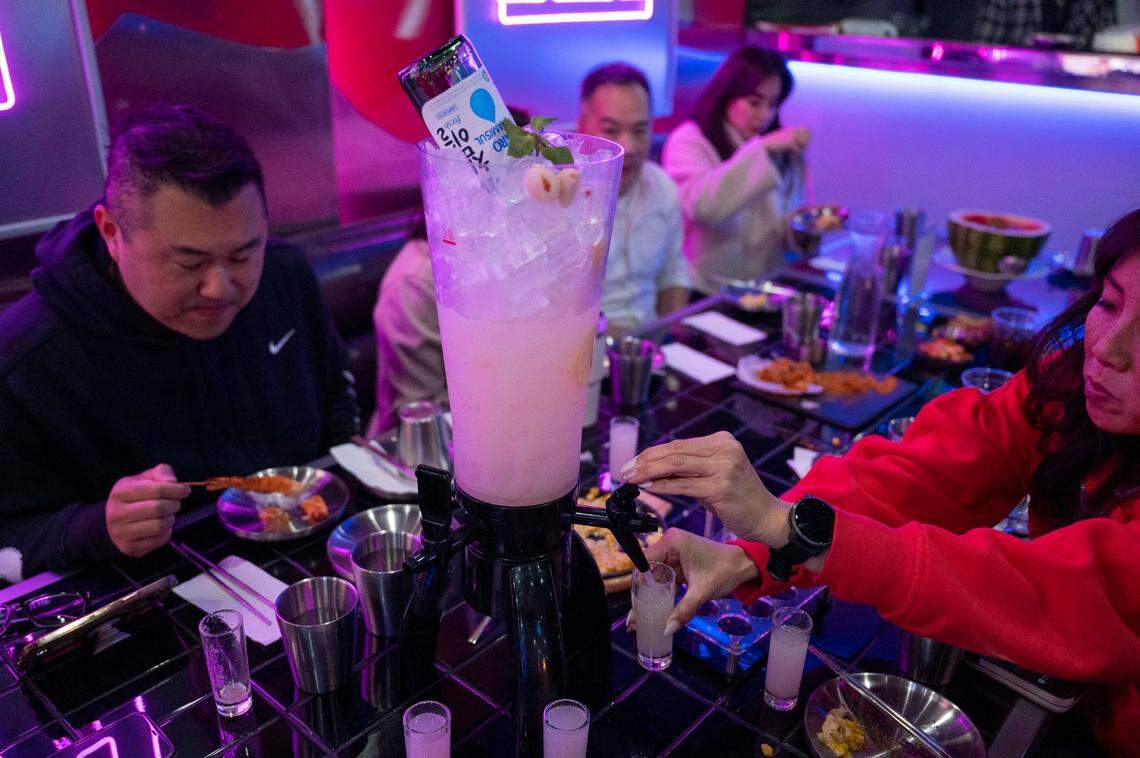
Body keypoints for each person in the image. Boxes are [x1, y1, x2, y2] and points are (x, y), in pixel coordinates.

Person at [621, 208, 1140, 755]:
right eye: (1109, 304)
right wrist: (753, 551)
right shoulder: (1066, 385)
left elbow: (1055, 592)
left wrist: (796, 531)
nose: (1106, 349)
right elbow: (931, 471)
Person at [0, 105, 358, 582]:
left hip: (311, 556)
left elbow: (334, 393)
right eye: (189, 263)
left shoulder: (284, 276)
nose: (220, 288)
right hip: (140, 591)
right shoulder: (25, 360)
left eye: (243, 254)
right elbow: (9, 542)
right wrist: (94, 527)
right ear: (112, 233)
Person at [662, 47, 810, 294]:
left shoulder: (780, 149)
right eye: (754, 102)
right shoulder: (689, 140)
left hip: (765, 288)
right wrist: (762, 148)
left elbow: (787, 225)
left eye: (772, 104)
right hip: (704, 289)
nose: (765, 115)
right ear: (727, 95)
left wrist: (806, 230)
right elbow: (704, 207)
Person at [577, 62, 689, 336]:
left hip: (649, 344)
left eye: (640, 130)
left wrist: (670, 339)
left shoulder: (661, 185)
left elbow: (673, 275)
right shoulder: (560, 200)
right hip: (588, 347)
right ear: (582, 127)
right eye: (611, 130)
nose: (628, 147)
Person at [976, 0, 1117, 49]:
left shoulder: (1097, 3)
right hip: (1016, 92)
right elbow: (981, 54)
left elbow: (1112, 59)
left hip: (1079, 96)